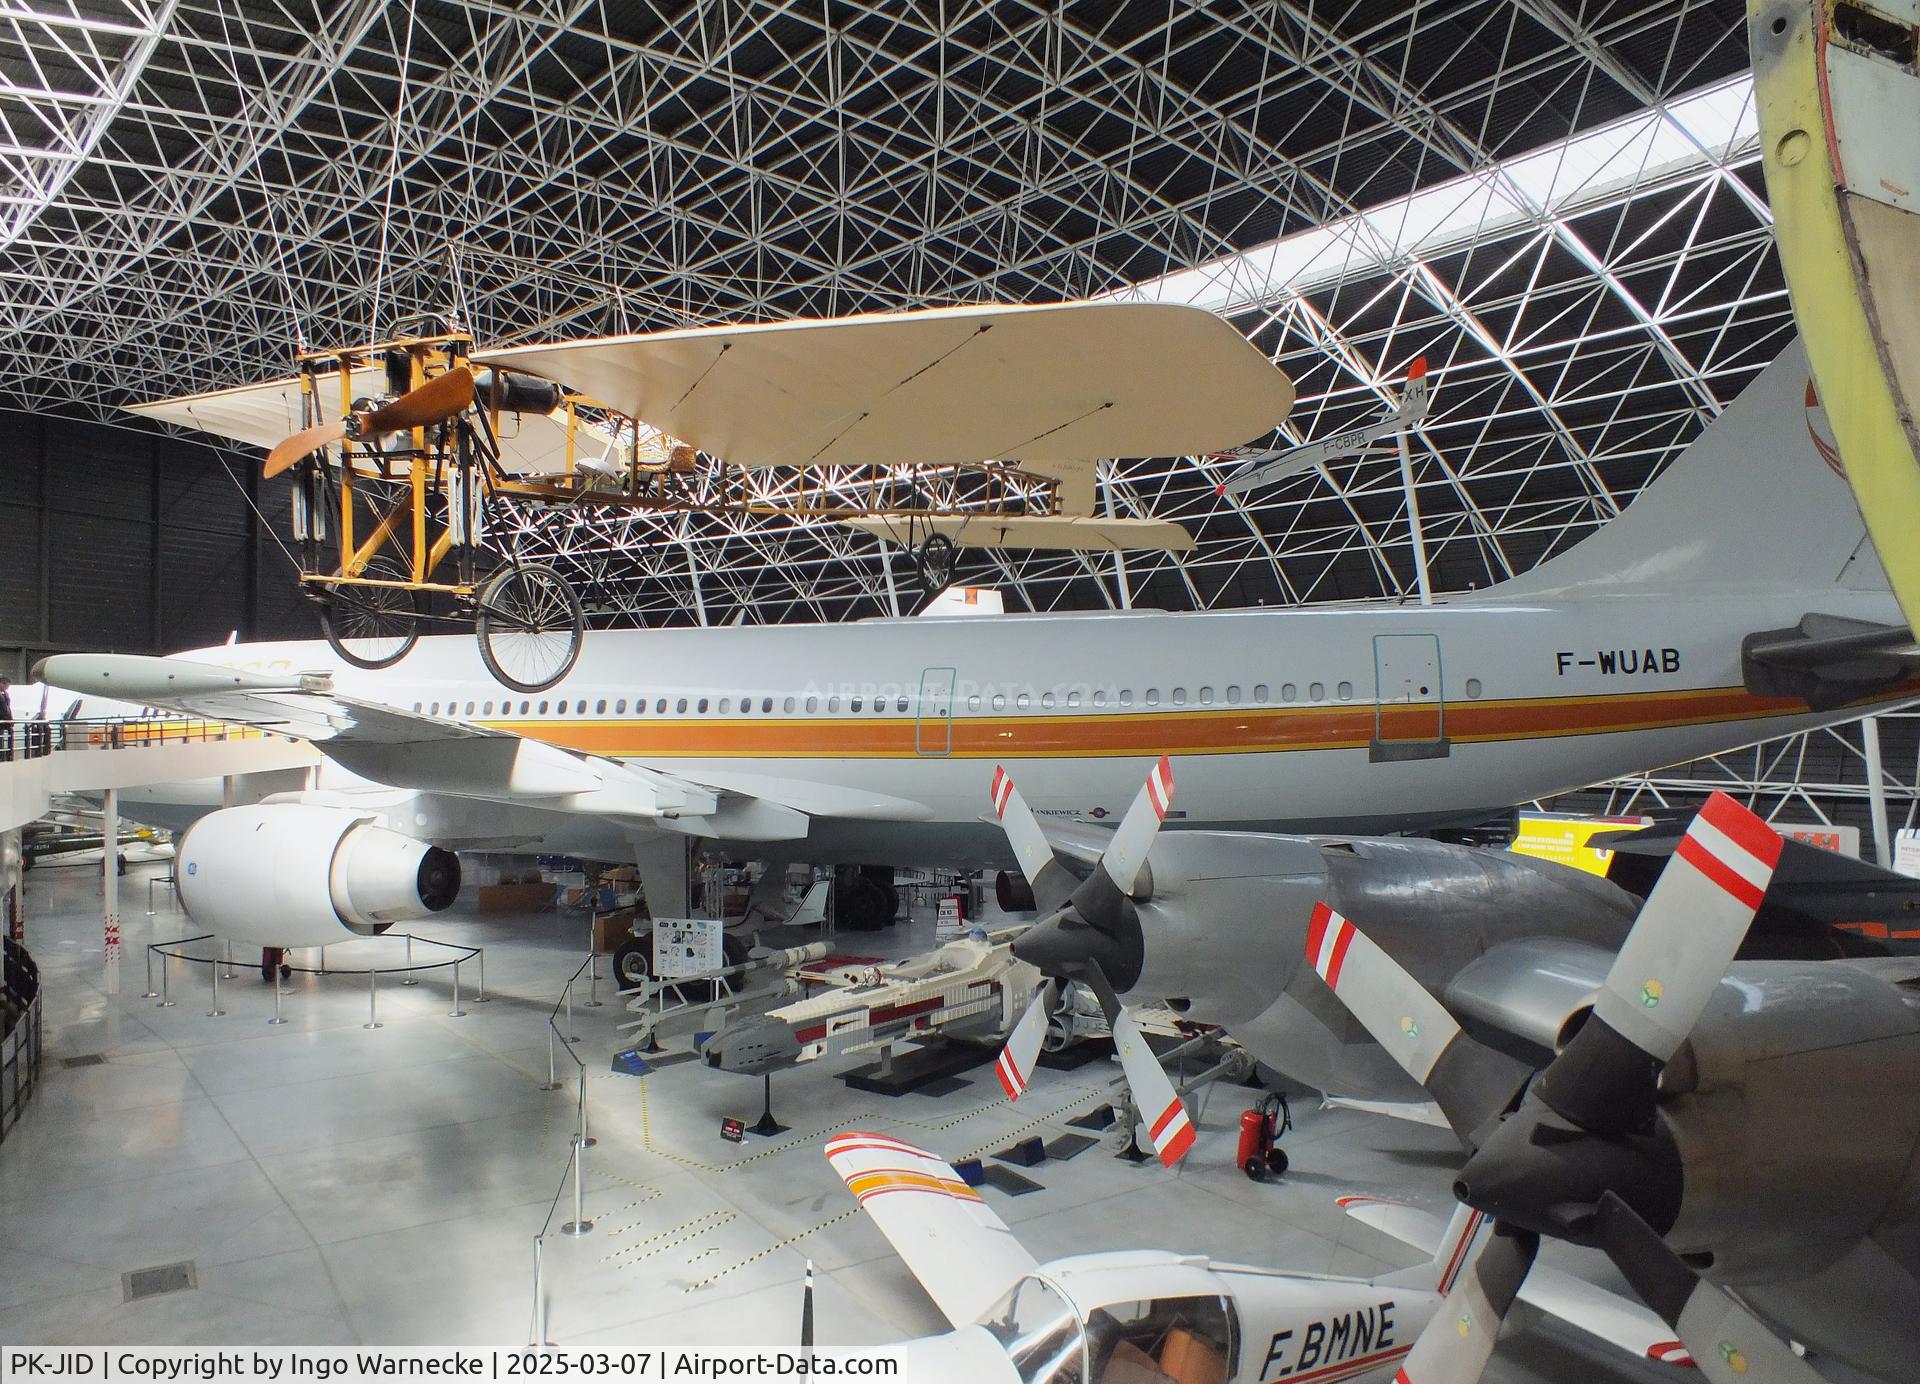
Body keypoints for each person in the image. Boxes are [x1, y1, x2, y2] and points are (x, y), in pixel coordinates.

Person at [0, 677, 13, 761]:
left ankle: (7, 755)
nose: (7, 688)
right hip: (2, 719)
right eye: (6, 686)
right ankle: (3, 756)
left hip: (5, 719)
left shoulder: (4, 694)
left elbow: (7, 707)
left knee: (8, 734)